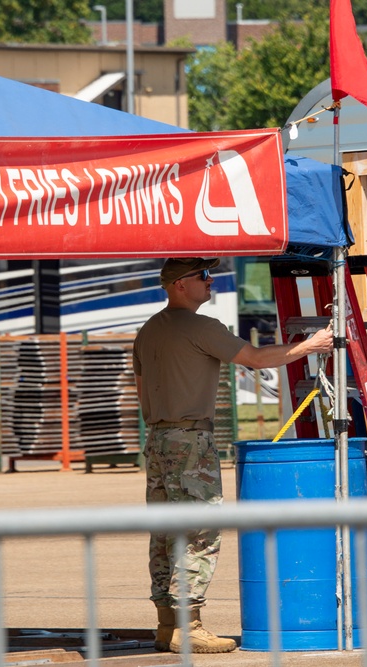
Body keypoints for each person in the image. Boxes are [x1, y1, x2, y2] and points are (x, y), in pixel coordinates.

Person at [132, 257, 334, 654]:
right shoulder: (202, 327)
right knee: (200, 529)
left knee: (165, 530)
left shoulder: (148, 330)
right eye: (203, 276)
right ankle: (189, 626)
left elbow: (141, 389)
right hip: (190, 439)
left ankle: (166, 623)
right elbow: (256, 360)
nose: (211, 281)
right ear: (179, 286)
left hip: (158, 437)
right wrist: (309, 345)